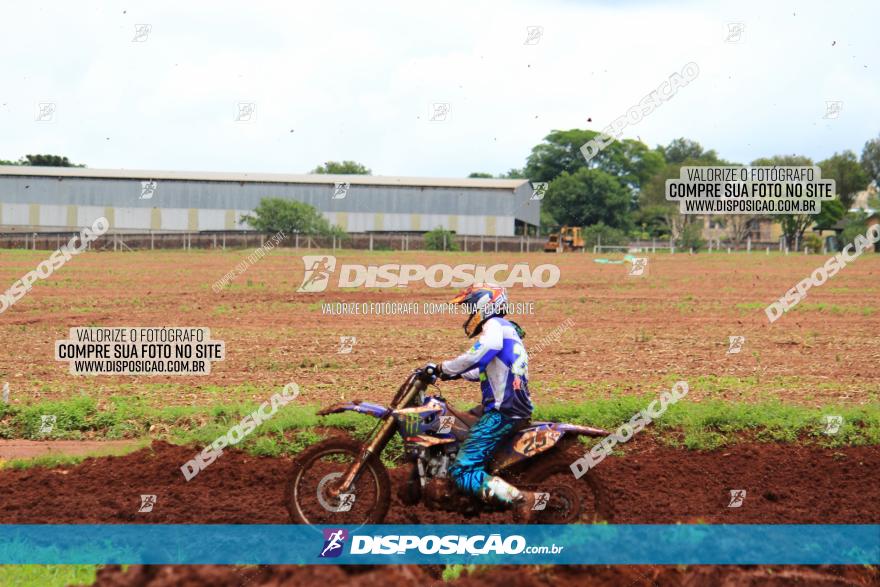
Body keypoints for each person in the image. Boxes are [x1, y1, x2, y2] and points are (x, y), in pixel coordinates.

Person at [432, 283, 538, 520]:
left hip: (504, 411)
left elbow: (483, 350)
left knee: (461, 470)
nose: (469, 313)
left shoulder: (493, 326)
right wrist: (451, 374)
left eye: (470, 306)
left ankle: (520, 498)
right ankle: (472, 492)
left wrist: (444, 367)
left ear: (484, 305)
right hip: (511, 406)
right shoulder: (507, 328)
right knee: (457, 428)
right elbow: (482, 368)